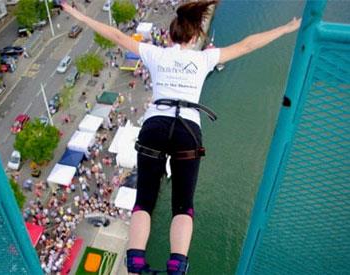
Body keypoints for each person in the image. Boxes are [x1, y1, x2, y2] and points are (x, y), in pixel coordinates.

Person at [62, 1, 301, 274]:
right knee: (183, 205)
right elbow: (247, 44)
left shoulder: (155, 54)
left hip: (155, 125)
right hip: (187, 129)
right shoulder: (204, 58)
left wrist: (77, 14)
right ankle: (177, 265)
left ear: (171, 35)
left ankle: (136, 262)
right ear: (195, 36)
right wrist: (285, 28)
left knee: (144, 201)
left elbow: (116, 35)